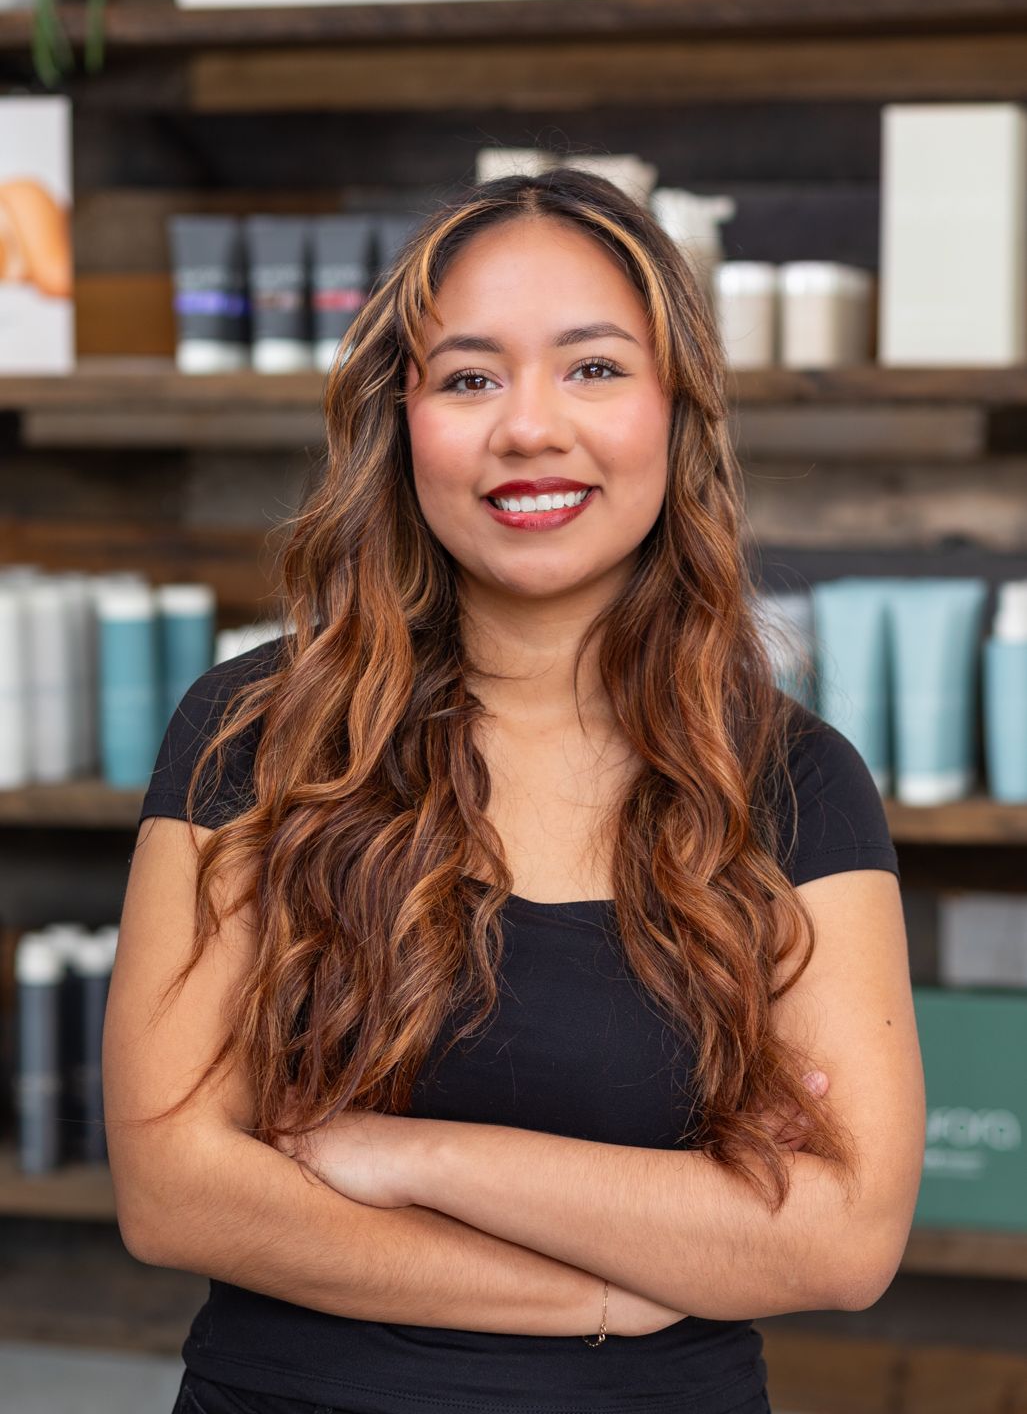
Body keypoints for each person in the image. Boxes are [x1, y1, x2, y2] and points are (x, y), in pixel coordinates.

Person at [104, 168, 925, 1414]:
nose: (529, 428)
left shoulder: (792, 780)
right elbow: (173, 1188)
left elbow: (838, 1241)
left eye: (593, 368)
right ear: (403, 420)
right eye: (469, 377)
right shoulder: (256, 731)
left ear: (676, 410)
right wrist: (601, 1292)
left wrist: (400, 1152)